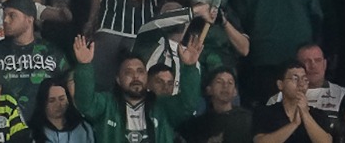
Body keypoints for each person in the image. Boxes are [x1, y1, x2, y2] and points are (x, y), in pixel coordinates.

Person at [71, 33, 202, 143]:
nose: (135, 77)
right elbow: (85, 103)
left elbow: (188, 104)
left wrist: (190, 68)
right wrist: (84, 66)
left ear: (146, 76)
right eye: (128, 72)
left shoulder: (162, 106)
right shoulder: (106, 105)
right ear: (118, 79)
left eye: (140, 71)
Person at [252, 62, 333, 143]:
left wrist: (305, 114)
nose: (301, 84)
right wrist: (294, 124)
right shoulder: (265, 112)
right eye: (295, 79)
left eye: (305, 79)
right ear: (280, 84)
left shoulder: (318, 114)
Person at [182, 68, 253, 143]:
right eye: (219, 82)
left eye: (230, 83)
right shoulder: (199, 124)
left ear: (235, 92)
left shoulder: (247, 119)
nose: (225, 86)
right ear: (209, 89)